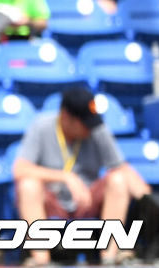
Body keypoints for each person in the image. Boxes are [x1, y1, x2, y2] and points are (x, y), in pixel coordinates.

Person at [13, 85, 151, 266]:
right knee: (28, 185)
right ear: (66, 116)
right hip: (53, 200)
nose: (89, 127)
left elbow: (121, 168)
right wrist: (66, 177)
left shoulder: (96, 127)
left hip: (88, 200)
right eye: (84, 122)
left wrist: (150, 201)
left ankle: (109, 258)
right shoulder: (42, 125)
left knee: (118, 180)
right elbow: (19, 169)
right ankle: (41, 261)